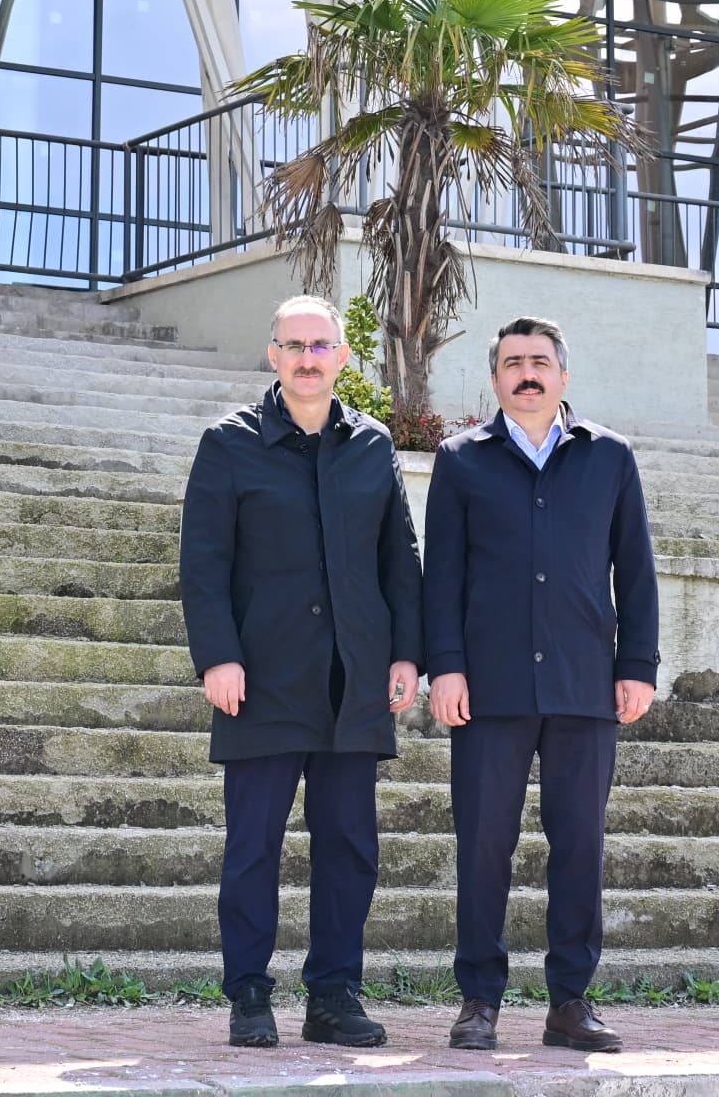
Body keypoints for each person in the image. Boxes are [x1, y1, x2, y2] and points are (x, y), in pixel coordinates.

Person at [178, 293, 425, 1049]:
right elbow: (204, 561)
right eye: (295, 345)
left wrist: (408, 653)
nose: (308, 358)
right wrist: (217, 655)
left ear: (342, 357)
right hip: (263, 679)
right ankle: (249, 993)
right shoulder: (228, 444)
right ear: (274, 354)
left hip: (354, 682)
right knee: (254, 844)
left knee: (349, 846)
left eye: (321, 346)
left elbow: (400, 559)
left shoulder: (373, 445)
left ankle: (333, 997)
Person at [422, 315, 658, 1054]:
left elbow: (638, 570)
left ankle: (570, 1003)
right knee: (484, 844)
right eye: (514, 362)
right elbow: (443, 578)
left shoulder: (610, 457)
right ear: (495, 379)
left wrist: (638, 666)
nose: (528, 373)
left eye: (541, 361)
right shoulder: (461, 460)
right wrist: (446, 666)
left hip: (585, 684)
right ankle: (479, 1001)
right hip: (488, 689)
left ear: (563, 375)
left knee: (580, 845)